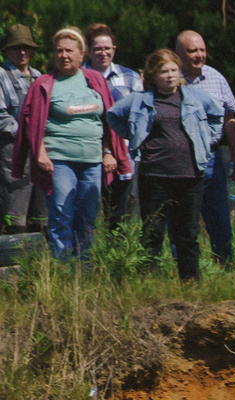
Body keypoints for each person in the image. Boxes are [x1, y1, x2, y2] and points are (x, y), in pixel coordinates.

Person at [16, 27, 128, 260]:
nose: (64, 55)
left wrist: (108, 152)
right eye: (59, 51)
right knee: (61, 216)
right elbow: (32, 123)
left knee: (88, 218)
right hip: (59, 161)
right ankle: (64, 270)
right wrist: (41, 153)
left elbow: (108, 119)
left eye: (69, 51)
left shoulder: (95, 80)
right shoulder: (44, 83)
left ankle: (84, 271)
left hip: (92, 161)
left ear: (81, 55)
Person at [108, 48, 218, 280]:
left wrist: (206, 138)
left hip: (190, 174)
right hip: (154, 173)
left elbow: (218, 115)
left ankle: (190, 283)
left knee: (187, 233)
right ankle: (148, 282)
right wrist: (133, 135)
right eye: (163, 71)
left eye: (173, 70)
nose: (169, 75)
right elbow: (113, 115)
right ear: (152, 75)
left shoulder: (195, 97)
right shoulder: (141, 99)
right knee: (152, 231)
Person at [175, 32, 235, 266]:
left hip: (210, 157)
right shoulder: (169, 77)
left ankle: (226, 267)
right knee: (182, 218)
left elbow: (229, 118)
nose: (200, 55)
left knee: (219, 216)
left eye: (202, 49)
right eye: (193, 51)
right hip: (178, 158)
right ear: (179, 54)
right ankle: (183, 270)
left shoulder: (215, 77)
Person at [84, 22, 138, 225]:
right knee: (88, 210)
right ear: (88, 51)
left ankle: (115, 251)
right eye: (97, 48)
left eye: (107, 48)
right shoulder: (79, 77)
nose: (103, 53)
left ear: (114, 49)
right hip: (88, 151)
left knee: (118, 213)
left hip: (123, 152)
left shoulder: (130, 78)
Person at [0, 26, 37, 231]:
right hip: (12, 148)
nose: (22, 52)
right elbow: (0, 115)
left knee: (40, 212)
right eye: (16, 48)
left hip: (40, 149)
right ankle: (12, 248)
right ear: (7, 51)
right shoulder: (2, 75)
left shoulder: (40, 77)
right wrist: (23, 133)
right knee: (14, 207)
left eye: (26, 47)